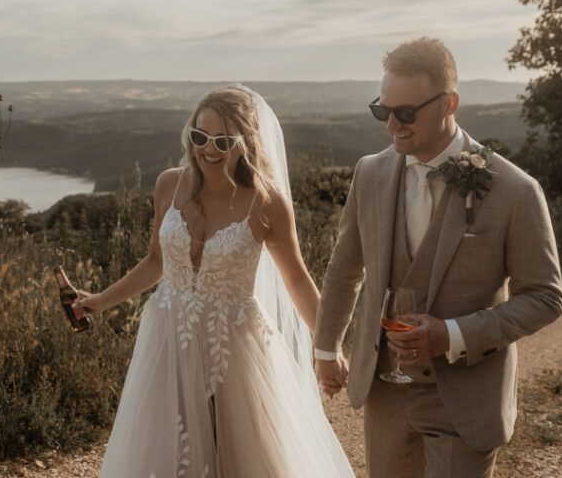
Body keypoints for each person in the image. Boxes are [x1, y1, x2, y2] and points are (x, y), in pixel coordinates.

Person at [313, 37, 562, 478]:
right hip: (385, 395)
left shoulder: (515, 190)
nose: (392, 125)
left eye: (405, 113)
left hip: (465, 400)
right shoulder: (369, 173)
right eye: (382, 110)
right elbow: (345, 267)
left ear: (450, 103)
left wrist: (452, 334)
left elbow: (545, 297)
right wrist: (326, 346)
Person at [74, 85, 354, 477]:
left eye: (223, 140)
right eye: (200, 136)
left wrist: (329, 347)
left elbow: (295, 279)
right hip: (168, 336)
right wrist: (101, 300)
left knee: (243, 454)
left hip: (234, 345)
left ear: (246, 142)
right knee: (167, 448)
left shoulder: (266, 201)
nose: (209, 149)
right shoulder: (169, 185)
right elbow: (157, 261)